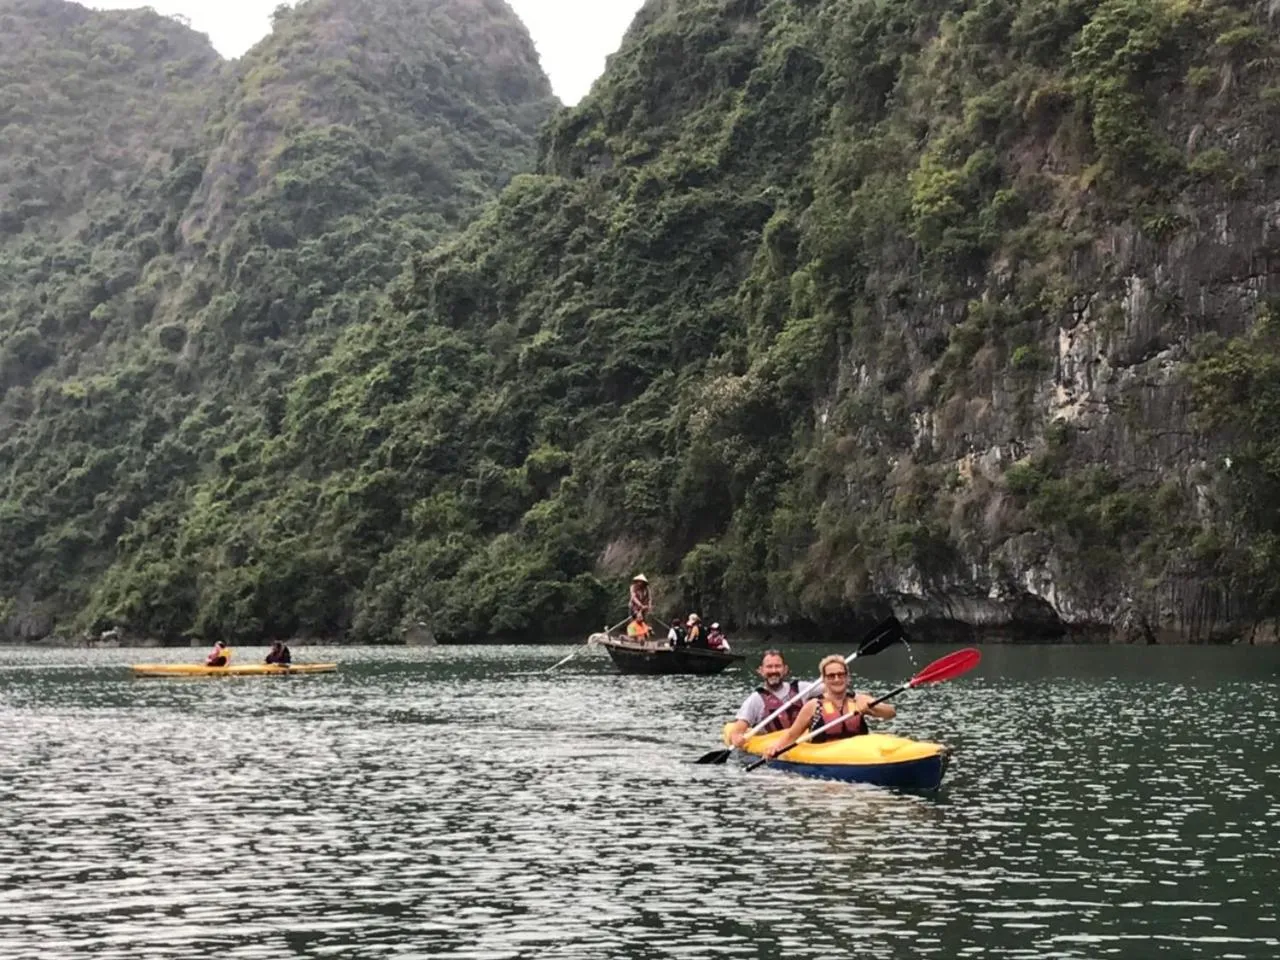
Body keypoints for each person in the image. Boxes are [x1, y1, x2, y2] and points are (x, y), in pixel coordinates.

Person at [765, 654, 896, 759]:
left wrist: (872, 707)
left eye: (841, 674)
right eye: (831, 676)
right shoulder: (813, 706)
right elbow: (791, 735)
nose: (837, 679)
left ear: (847, 677)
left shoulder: (859, 699)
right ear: (824, 679)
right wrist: (775, 748)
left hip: (859, 757)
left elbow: (891, 713)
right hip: (826, 760)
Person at [726, 650, 820, 747]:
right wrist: (736, 738)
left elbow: (829, 687)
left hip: (804, 743)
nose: (773, 671)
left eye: (778, 666)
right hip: (773, 747)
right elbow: (737, 731)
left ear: (785, 669)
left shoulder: (802, 688)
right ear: (761, 670)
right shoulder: (755, 700)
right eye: (769, 667)